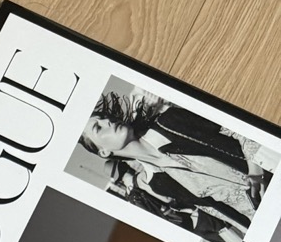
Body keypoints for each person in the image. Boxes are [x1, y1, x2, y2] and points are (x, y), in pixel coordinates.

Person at [79, 89, 273, 224]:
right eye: (98, 128)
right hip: (263, 216)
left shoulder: (170, 121)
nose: (107, 121)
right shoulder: (157, 183)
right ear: (104, 152)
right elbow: (215, 210)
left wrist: (255, 169)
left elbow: (238, 127)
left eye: (103, 117)